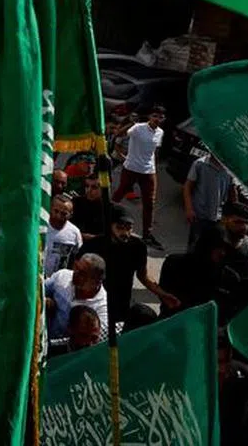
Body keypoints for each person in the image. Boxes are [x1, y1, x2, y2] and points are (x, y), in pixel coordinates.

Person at [77, 204, 180, 320]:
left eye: (129, 228)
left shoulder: (137, 247)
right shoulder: (93, 246)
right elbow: (76, 274)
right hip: (95, 304)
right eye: (120, 227)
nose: (125, 233)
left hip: (122, 304)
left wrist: (162, 294)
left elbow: (143, 276)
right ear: (110, 226)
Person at [112, 106, 165, 249]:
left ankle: (147, 235)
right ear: (149, 116)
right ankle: (106, 219)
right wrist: (130, 123)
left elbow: (155, 151)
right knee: (119, 194)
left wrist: (154, 166)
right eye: (155, 116)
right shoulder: (138, 128)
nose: (157, 119)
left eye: (160, 117)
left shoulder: (160, 132)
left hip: (148, 171)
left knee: (149, 203)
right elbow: (119, 134)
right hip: (131, 168)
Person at [44, 253, 109, 340]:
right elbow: (38, 291)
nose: (76, 274)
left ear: (96, 282)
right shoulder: (62, 276)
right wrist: (45, 301)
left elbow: (94, 341)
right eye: (76, 267)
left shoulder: (102, 308)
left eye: (83, 274)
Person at [183, 152, 237, 250]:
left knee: (212, 248)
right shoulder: (200, 164)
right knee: (195, 246)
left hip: (218, 218)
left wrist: (235, 214)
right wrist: (189, 208)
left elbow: (232, 191)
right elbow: (187, 187)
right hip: (199, 215)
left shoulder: (230, 167)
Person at [221, 201, 248, 279]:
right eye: (238, 222)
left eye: (247, 223)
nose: (244, 227)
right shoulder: (212, 241)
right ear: (224, 220)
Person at [43, 194, 83, 277]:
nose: (58, 216)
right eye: (56, 211)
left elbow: (76, 258)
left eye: (63, 214)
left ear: (70, 215)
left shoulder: (74, 233)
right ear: (50, 209)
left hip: (58, 280)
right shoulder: (41, 225)